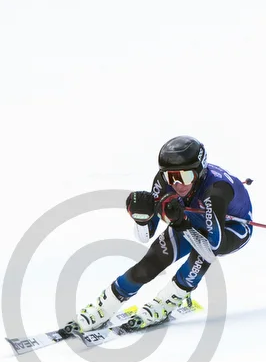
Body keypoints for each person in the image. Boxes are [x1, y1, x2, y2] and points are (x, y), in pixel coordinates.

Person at [73, 135, 254, 332]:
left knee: (200, 257)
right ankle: (104, 307)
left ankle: (168, 299)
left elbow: (214, 247)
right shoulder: (163, 181)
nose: (177, 185)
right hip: (191, 220)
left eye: (185, 177)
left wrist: (181, 224)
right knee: (149, 264)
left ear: (200, 172)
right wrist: (141, 218)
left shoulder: (216, 192)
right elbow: (145, 235)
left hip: (230, 229)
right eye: (171, 177)